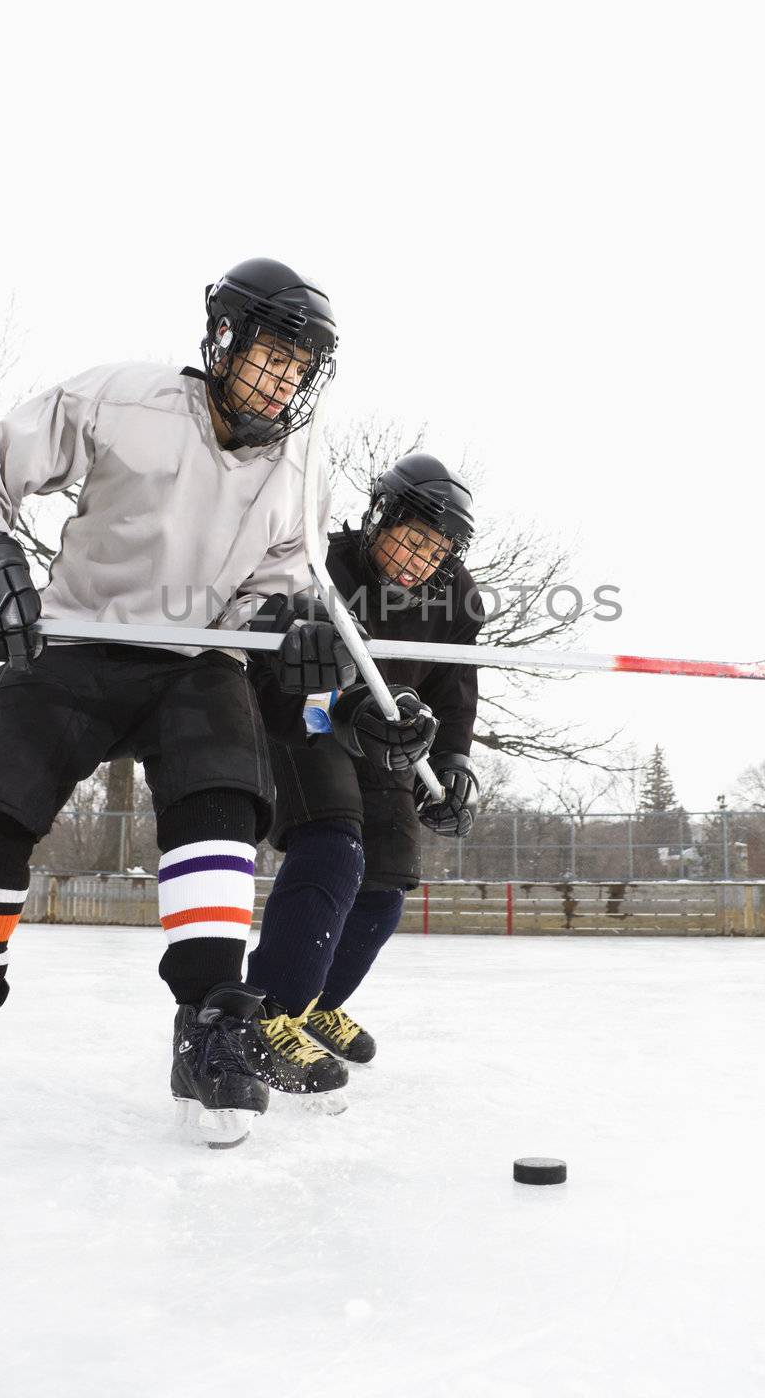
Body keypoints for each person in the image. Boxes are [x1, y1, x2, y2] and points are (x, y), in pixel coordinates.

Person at [0, 257, 373, 1142]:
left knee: (219, 809)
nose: (281, 381)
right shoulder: (120, 400)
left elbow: (273, 586)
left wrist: (289, 624)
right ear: (223, 340)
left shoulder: (297, 469)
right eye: (269, 357)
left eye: (298, 369)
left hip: (198, 660)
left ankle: (210, 1025)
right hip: (77, 638)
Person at [246, 453, 483, 1071]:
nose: (420, 560)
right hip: (310, 721)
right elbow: (274, 661)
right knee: (335, 847)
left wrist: (454, 761)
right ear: (381, 516)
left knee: (387, 878)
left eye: (437, 552)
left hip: (390, 741)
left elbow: (455, 686)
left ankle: (317, 1002)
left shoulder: (456, 596)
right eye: (412, 540)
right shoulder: (320, 563)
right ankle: (269, 1014)